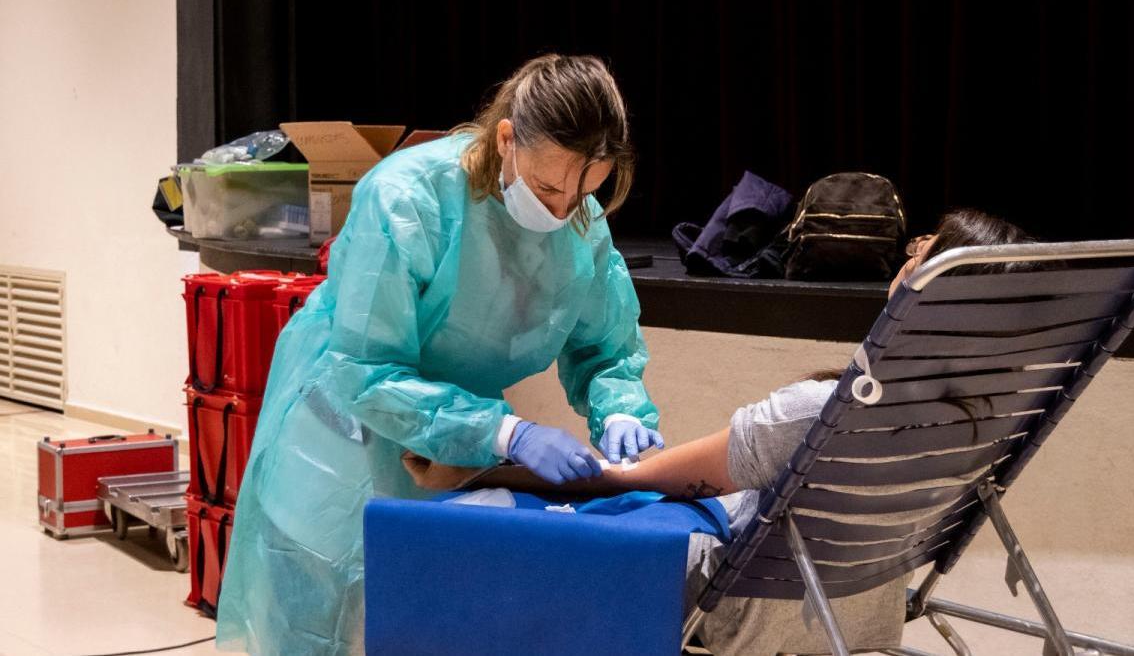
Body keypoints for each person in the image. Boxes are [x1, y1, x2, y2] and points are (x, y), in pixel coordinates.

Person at [216, 54, 665, 655]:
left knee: (429, 610)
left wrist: (622, 410)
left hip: (450, 439)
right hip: (341, 428)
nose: (562, 212)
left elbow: (604, 346)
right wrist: (504, 432)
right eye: (549, 188)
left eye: (584, 192)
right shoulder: (407, 198)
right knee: (325, 615)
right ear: (506, 139)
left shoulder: (578, 222)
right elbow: (366, 371)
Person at [475, 208, 1037, 655]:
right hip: (863, 610)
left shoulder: (818, 412)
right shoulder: (991, 420)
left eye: (923, 247)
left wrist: (493, 463)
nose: (910, 253)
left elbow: (636, 478)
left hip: (746, 613)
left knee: (514, 528)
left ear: (926, 287)